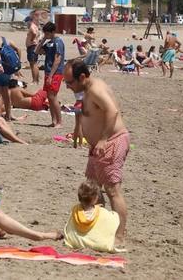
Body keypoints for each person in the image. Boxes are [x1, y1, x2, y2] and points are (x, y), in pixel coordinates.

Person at [66, 60, 131, 246]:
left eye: (69, 82)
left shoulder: (95, 89)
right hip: (97, 146)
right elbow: (80, 105)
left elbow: (112, 111)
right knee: (92, 187)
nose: (67, 86)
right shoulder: (83, 89)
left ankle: (119, 235)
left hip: (112, 140)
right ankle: (99, 227)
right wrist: (78, 127)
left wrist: (103, 139)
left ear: (82, 77)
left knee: (112, 190)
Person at [64, 181, 121, 253]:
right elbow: (112, 220)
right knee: (112, 217)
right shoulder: (101, 212)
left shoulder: (75, 211)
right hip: (98, 244)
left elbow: (69, 226)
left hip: (76, 242)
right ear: (95, 198)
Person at [40, 21, 66, 128]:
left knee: (53, 96)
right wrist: (43, 40)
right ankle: (54, 120)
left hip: (56, 73)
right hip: (48, 71)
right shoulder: (49, 42)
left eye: (47, 33)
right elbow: (37, 51)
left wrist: (51, 75)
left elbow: (57, 59)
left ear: (53, 32)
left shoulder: (58, 42)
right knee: (49, 97)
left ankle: (59, 121)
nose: (46, 35)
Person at [25, 12, 43, 86]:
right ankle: (36, 80)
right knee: (34, 63)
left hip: (32, 46)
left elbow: (34, 33)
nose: (26, 24)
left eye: (26, 22)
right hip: (33, 46)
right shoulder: (36, 26)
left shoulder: (32, 26)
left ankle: (34, 80)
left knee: (33, 64)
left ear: (30, 21)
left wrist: (32, 39)